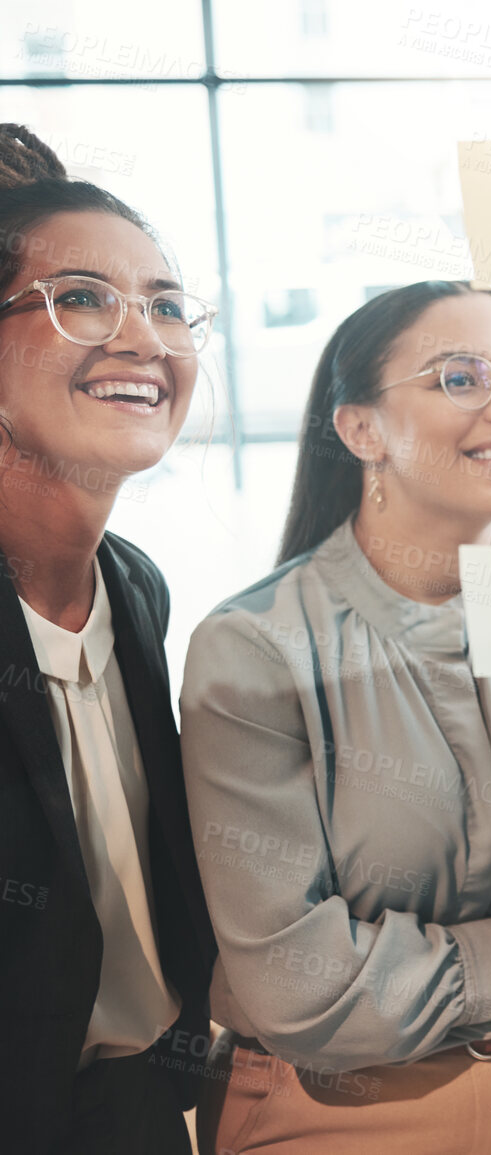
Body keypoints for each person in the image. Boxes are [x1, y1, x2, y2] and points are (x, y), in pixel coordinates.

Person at [179, 279, 491, 1154]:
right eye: (460, 378)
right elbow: (299, 987)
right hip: (350, 1117)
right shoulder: (256, 648)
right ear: (361, 429)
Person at [0, 124, 219, 1153]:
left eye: (169, 306)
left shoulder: (133, 590)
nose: (146, 340)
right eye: (83, 297)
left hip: (135, 1107)